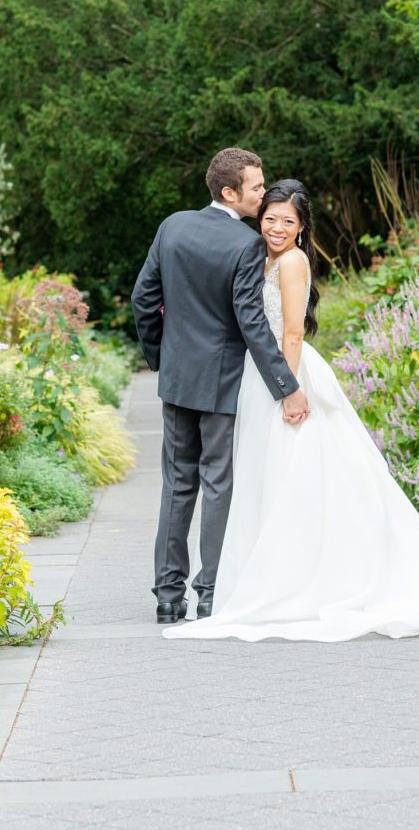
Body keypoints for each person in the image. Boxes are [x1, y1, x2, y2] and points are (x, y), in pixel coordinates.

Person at [163, 178, 419, 642]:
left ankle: (308, 579)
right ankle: (270, 573)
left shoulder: (294, 261)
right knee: (266, 478)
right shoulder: (257, 256)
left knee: (296, 474)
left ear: (302, 229)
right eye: (270, 218)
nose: (277, 227)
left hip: (286, 375)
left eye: (288, 221)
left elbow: (292, 333)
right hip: (258, 375)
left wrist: (289, 389)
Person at [131, 149, 311, 626]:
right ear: (230, 192)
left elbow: (143, 299)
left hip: (177, 379)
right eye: (256, 187)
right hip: (223, 383)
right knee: (217, 484)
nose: (262, 193)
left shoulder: (173, 226)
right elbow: (251, 323)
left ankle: (168, 598)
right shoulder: (245, 244)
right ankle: (209, 592)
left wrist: (161, 358)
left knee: (176, 485)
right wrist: (285, 385)